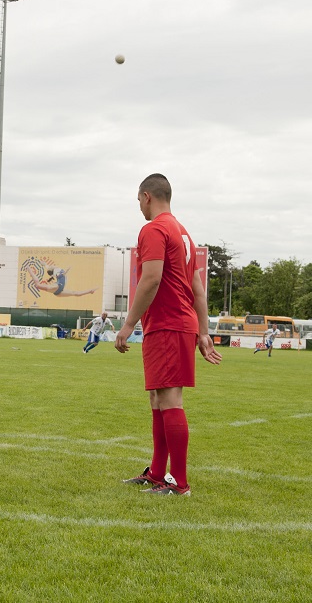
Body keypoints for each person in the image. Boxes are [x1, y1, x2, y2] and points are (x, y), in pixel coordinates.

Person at [115, 174, 221, 496]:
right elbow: (198, 290)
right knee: (158, 398)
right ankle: (159, 473)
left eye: (138, 201)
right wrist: (202, 332)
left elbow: (151, 279)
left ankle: (179, 484)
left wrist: (128, 323)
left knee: (170, 400)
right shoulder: (184, 233)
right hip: (177, 324)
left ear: (147, 196)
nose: (139, 208)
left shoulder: (154, 228)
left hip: (167, 323)